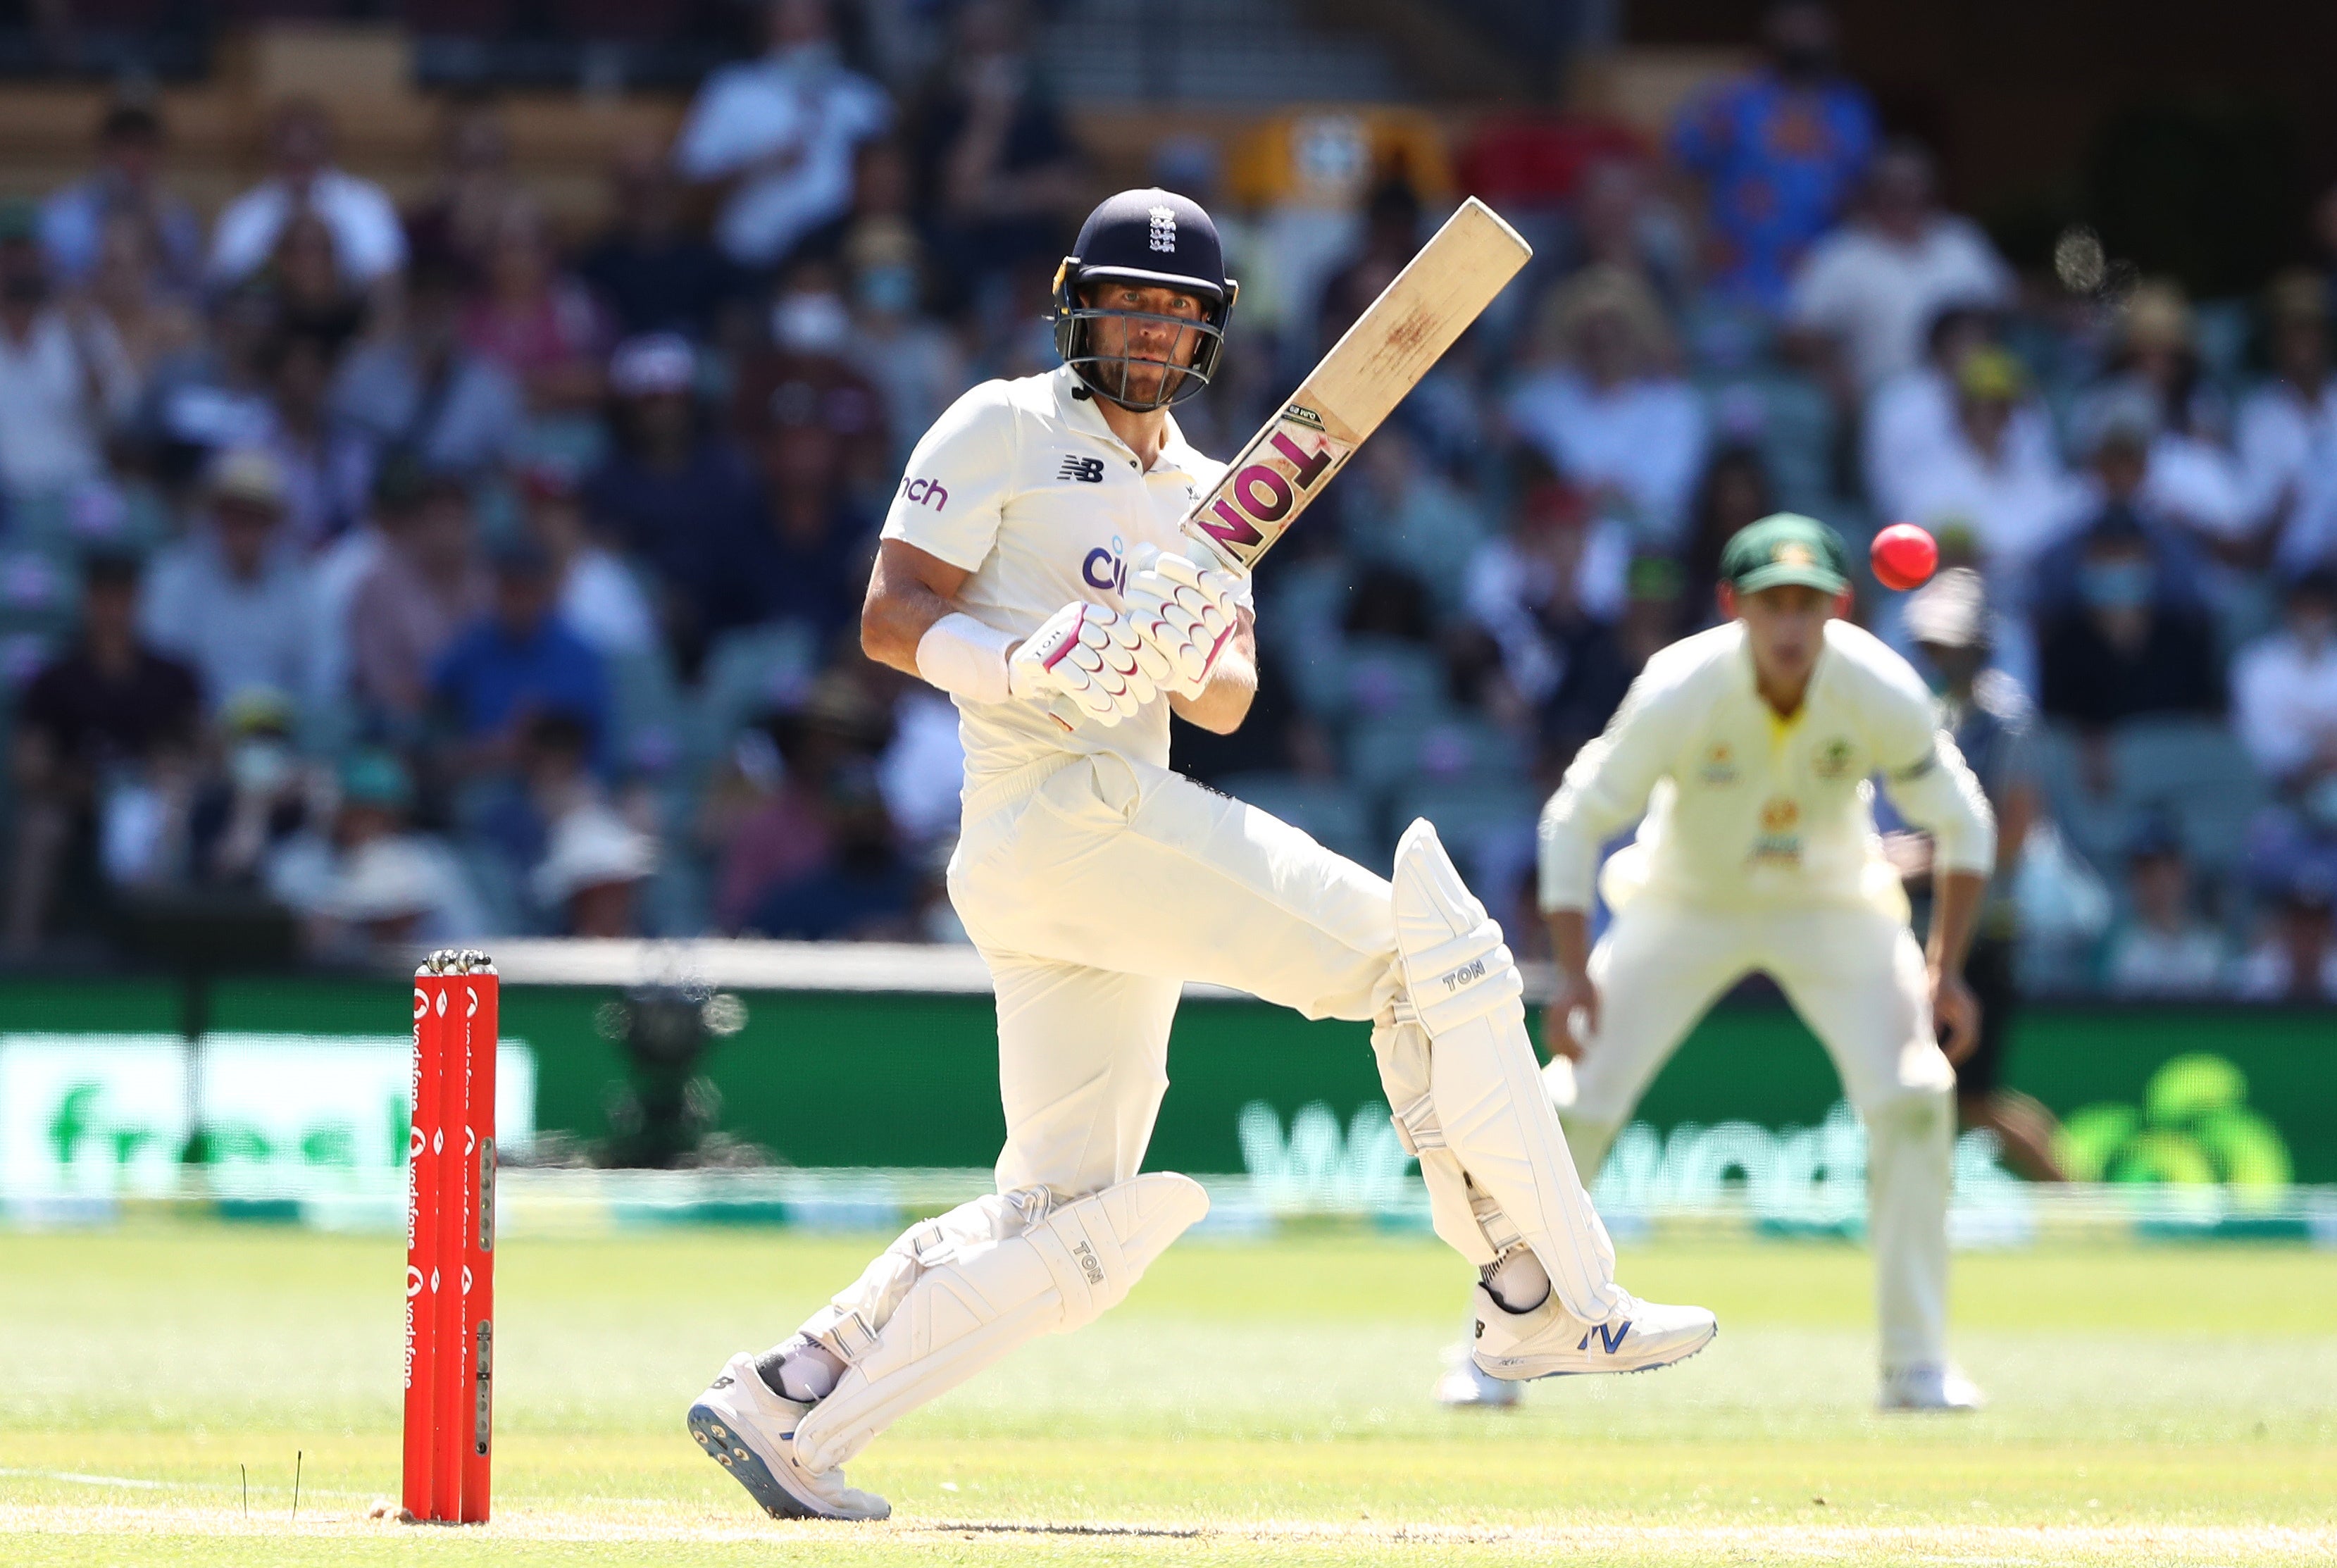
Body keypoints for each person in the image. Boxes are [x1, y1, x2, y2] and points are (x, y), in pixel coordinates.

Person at [683, 187, 1715, 1523]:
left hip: (1088, 848)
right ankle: (1544, 1292)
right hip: (1058, 807)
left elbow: (1227, 697)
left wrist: (1178, 647)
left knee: (1067, 1221)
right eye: (1127, 304)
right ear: (1076, 307)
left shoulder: (1207, 495)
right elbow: (891, 613)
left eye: (1174, 312)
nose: (1150, 331)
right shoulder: (1001, 424)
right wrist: (1026, 661)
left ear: (1208, 330)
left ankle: (791, 1398)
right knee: (1431, 957)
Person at [1440, 514, 1995, 1414]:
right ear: (1734, 605)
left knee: (1917, 1094)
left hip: (1833, 902)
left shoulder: (1878, 685)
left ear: (1840, 608)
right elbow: (1575, 819)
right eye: (1773, 604)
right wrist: (1574, 976)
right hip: (1684, 901)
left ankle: (1916, 1366)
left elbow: (1964, 824)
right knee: (1572, 1104)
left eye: (1809, 604)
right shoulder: (1680, 684)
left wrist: (1948, 970)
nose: (1791, 625)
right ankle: (1499, 1348)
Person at [1897, 568, 2064, 1182]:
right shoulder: (1937, 717)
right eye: (1935, 645)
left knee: (1976, 1099)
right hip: (1926, 930)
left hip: (1984, 935)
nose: (1943, 657)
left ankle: (2075, 1197)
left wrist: (1920, 861)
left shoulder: (2008, 722)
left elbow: (2013, 835)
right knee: (1929, 1091)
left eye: (1955, 644)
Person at [6, 552, 201, 953]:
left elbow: (203, 749)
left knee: (169, 810)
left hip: (150, 800)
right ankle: (20, 955)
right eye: (103, 597)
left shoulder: (172, 675)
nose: (113, 610)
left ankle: (159, 955)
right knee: (41, 827)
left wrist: (171, 767)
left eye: (122, 597)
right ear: (87, 601)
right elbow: (28, 765)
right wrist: (87, 783)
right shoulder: (55, 678)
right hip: (79, 802)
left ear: (138, 601)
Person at [1667, 0, 1876, 311]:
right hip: (1733, 284)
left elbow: (1864, 198)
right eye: (1794, 23)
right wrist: (1691, 248)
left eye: (1814, 24)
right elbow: (1680, 171)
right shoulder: (1730, 100)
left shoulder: (1852, 110)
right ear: (1772, 28)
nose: (1804, 35)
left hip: (1821, 290)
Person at [672, 0, 892, 274]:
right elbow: (689, 179)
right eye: (794, 29)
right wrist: (757, 165)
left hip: (846, 261)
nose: (806, 40)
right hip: (753, 259)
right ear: (768, 30)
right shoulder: (733, 92)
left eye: (815, 28)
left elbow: (893, 177)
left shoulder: (863, 98)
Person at [1786, 139, 2012, 394]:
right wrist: (1834, 375)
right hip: (1882, 396)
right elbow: (1799, 334)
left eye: (1915, 185)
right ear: (1874, 192)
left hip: (1974, 397)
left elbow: (2006, 303)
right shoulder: (1840, 254)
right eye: (1895, 188)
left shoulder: (1962, 240)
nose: (1907, 195)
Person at [139, 448, 328, 723]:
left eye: (256, 516)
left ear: (274, 522)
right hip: (194, 729)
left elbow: (320, 675)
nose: (244, 528)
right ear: (214, 515)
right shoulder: (172, 578)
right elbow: (162, 667)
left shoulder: (301, 585)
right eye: (233, 515)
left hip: (285, 730)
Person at [208, 100, 406, 291]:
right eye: (286, 142)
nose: (297, 147)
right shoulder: (242, 213)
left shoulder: (367, 204)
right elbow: (224, 280)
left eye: (309, 141)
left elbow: (386, 275)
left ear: (328, 146)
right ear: (270, 150)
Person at [42, 101, 204, 292]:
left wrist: (157, 228)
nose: (134, 158)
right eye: (124, 144)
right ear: (103, 149)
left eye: (145, 146)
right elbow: (60, 284)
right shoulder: (64, 214)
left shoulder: (177, 219)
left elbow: (190, 288)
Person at [2100, 818, 2231, 998]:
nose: (2159, 882)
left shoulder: (2212, 948)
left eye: (2167, 870)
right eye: (2148, 874)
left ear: (2184, 872)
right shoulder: (2120, 950)